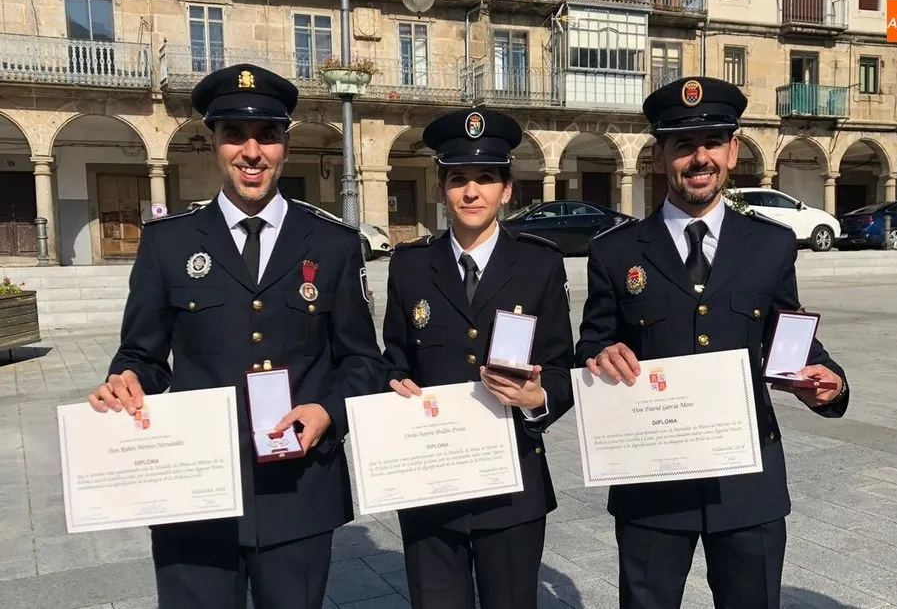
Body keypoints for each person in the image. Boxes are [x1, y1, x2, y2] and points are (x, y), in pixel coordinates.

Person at [86, 63, 386, 609]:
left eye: (267, 135)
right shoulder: (168, 244)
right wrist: (126, 378)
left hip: (298, 491)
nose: (252, 152)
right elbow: (141, 354)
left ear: (285, 145)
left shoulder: (333, 244)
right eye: (234, 135)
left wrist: (328, 411)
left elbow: (363, 361)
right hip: (195, 491)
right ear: (213, 143)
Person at [575, 76, 851, 609]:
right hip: (652, 481)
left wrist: (830, 384)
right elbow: (592, 341)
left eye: (712, 143)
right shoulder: (616, 251)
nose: (699, 158)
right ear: (660, 156)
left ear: (732, 152)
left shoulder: (771, 244)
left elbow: (789, 336)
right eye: (683, 145)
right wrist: (598, 356)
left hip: (747, 480)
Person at [382, 108, 575, 609]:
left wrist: (537, 398)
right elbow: (393, 361)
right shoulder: (410, 266)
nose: (471, 192)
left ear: (507, 190)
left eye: (486, 178)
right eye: (457, 179)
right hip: (432, 485)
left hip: (513, 487)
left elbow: (561, 368)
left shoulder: (539, 264)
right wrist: (394, 386)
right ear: (440, 188)